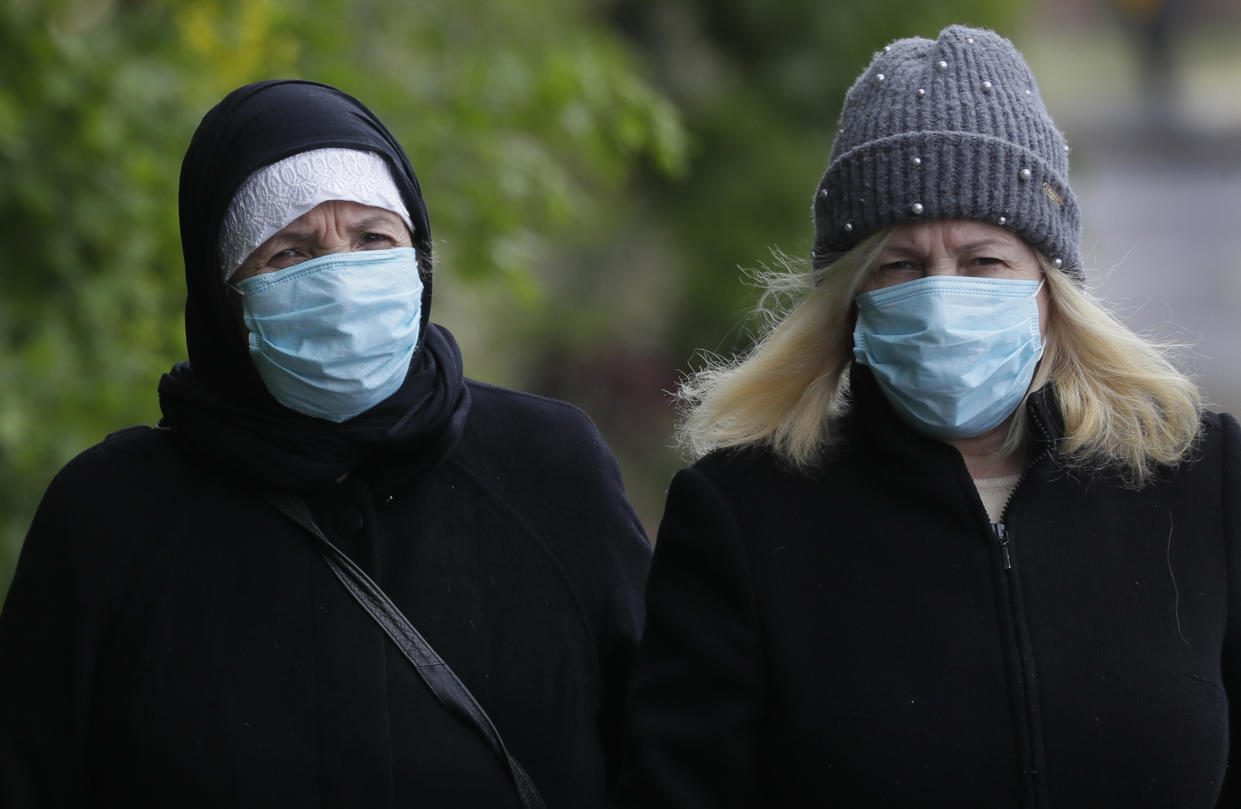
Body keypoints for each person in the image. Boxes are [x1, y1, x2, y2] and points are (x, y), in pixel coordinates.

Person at [611, 25, 1240, 809]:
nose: (941, 295)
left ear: (1049, 291)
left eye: (982, 261)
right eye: (900, 265)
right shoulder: (745, 514)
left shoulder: (1200, 478)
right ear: (851, 303)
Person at [0, 79, 651, 808]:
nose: (339, 282)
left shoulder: (548, 467)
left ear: (419, 256)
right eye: (288, 253)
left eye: (372, 238)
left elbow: (668, 757)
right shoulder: (111, 518)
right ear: (222, 295)